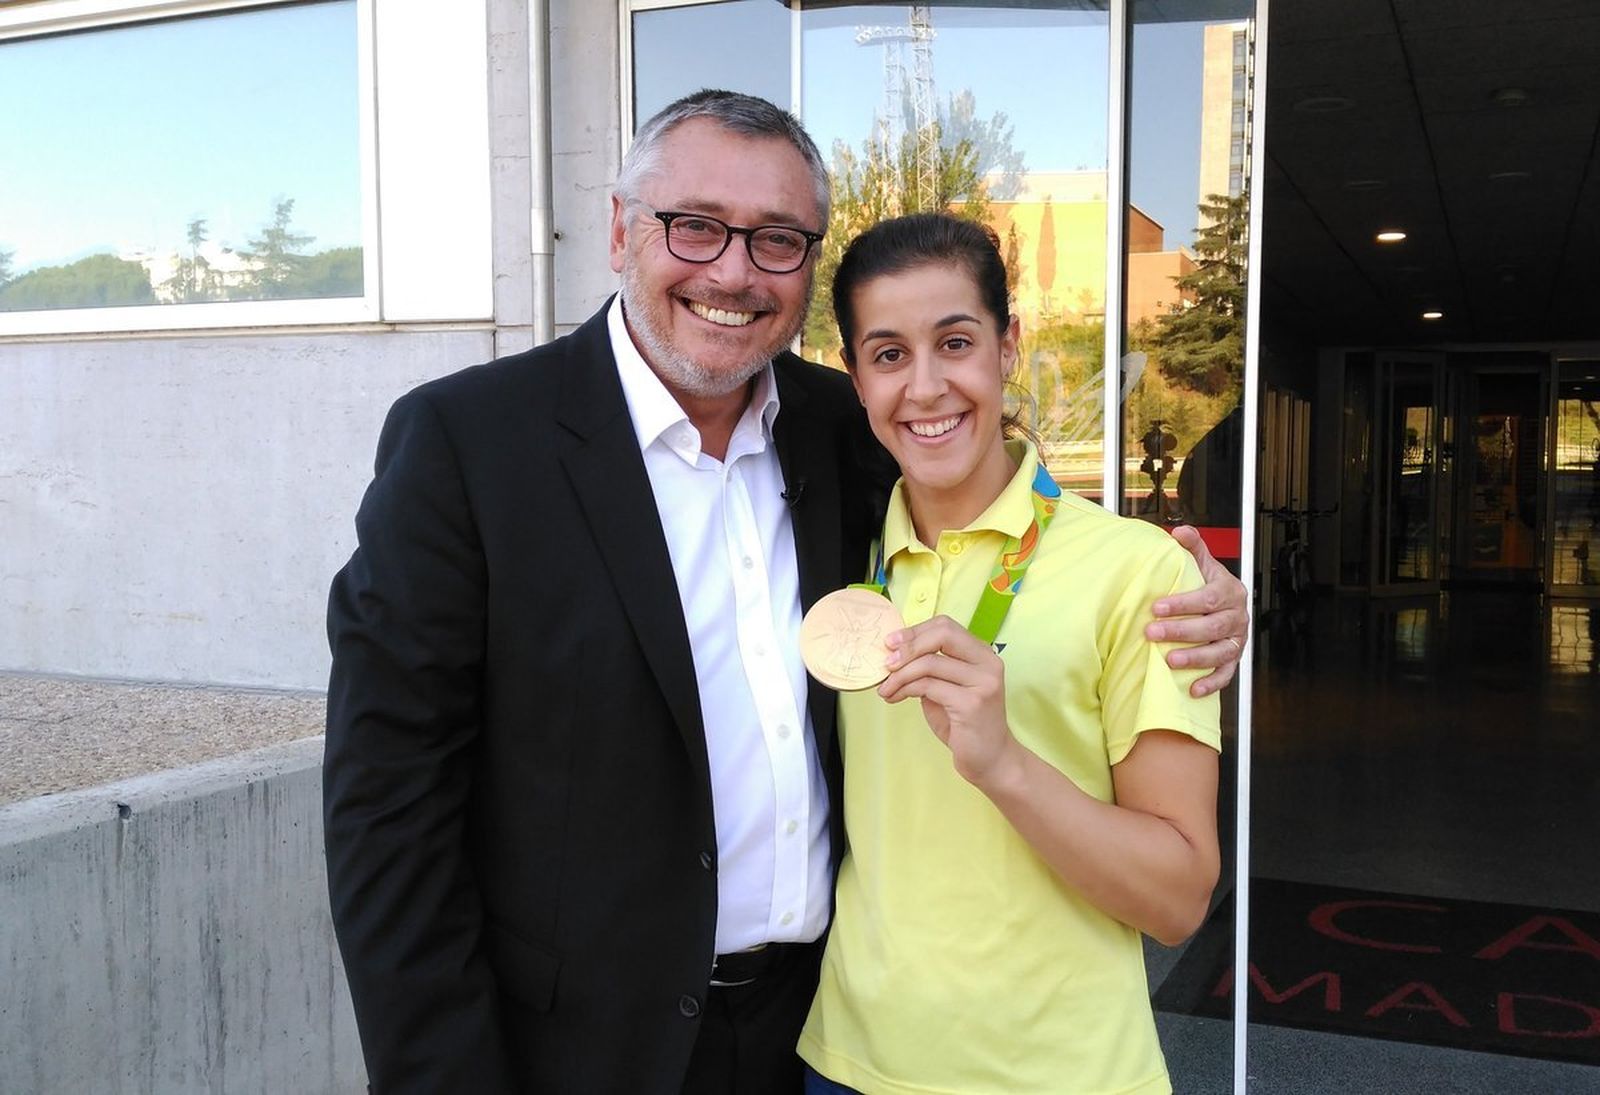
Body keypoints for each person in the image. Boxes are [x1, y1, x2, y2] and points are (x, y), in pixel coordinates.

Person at [323, 91, 1246, 1095]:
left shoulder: (843, 431)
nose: (731, 271)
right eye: (696, 226)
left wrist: (1200, 599)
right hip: (582, 1051)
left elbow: (997, 502)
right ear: (620, 230)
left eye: (776, 240)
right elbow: (389, 809)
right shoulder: (467, 446)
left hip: (807, 1037)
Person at [796, 213, 1223, 1095]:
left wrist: (1004, 765)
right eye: (887, 354)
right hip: (848, 1060)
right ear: (855, 377)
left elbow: (1180, 898)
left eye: (955, 341)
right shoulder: (832, 554)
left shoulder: (1138, 571)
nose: (925, 386)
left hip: (1058, 1073)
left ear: (1008, 347)